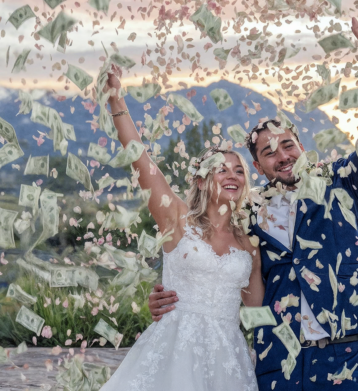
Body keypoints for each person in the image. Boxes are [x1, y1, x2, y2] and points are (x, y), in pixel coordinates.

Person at [148, 17, 358, 390]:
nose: (281, 156)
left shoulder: (343, 184)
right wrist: (165, 296)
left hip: (340, 354)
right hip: (277, 358)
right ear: (258, 166)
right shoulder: (244, 213)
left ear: (301, 145)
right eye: (268, 152)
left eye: (287, 145)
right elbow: (209, 262)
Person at [100, 70, 263, 391]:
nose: (231, 175)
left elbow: (257, 312)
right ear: (201, 180)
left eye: (238, 170)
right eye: (220, 169)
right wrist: (117, 100)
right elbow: (140, 158)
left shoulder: (250, 242)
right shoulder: (175, 218)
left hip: (228, 360)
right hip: (175, 351)